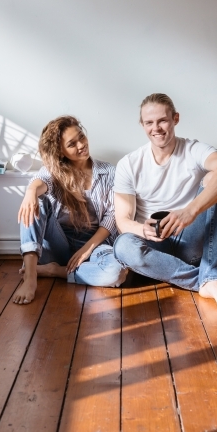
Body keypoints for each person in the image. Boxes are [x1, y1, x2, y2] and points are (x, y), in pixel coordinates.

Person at [113, 93, 217, 312]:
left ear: (175, 119)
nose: (157, 128)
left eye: (162, 120)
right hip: (155, 246)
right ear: (142, 125)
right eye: (149, 123)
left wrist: (190, 211)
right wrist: (142, 229)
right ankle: (211, 280)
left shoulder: (194, 149)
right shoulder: (129, 163)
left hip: (191, 238)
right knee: (122, 246)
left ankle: (211, 277)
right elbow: (122, 220)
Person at [12, 115, 127, 305]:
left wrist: (86, 249)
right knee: (37, 202)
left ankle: (54, 270)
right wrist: (31, 191)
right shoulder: (54, 171)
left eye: (81, 137)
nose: (81, 145)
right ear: (61, 151)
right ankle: (30, 277)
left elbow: (112, 216)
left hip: (95, 243)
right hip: (60, 242)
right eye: (72, 144)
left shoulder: (109, 172)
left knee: (117, 273)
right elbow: (41, 181)